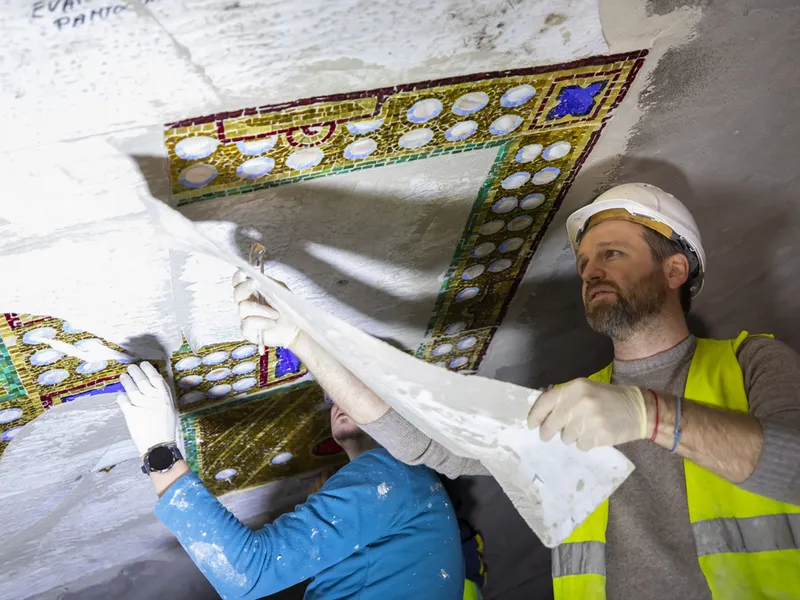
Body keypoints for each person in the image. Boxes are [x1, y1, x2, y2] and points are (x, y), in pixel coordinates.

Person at [235, 183, 800, 600]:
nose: (591, 272)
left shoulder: (752, 363)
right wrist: (304, 341)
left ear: (675, 269)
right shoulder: (568, 404)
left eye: (612, 253)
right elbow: (430, 444)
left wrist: (648, 415)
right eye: (584, 263)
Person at [116, 362, 464, 600]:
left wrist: (160, 453)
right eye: (335, 396)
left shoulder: (395, 477)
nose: (341, 401)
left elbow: (250, 574)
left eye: (361, 393)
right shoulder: (404, 483)